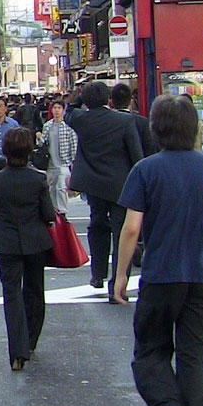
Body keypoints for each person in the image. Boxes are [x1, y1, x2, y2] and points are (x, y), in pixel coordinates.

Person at [113, 94, 203, 406]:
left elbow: (132, 229)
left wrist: (120, 274)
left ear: (156, 128)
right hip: (202, 274)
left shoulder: (146, 170)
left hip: (161, 274)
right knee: (194, 354)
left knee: (150, 349)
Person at [0, 127, 56, 371]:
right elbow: (47, 213)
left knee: (11, 295)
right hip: (35, 240)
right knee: (35, 291)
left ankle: (17, 350)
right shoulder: (38, 179)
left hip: (7, 241)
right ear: (29, 151)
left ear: (5, 151)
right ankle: (31, 340)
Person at [66, 82, 144, 298]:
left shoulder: (82, 120)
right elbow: (136, 154)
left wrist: (80, 96)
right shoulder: (124, 120)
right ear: (108, 99)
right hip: (121, 184)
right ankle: (119, 283)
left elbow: (69, 110)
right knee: (122, 233)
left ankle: (97, 273)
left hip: (93, 184)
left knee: (97, 225)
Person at [41, 101, 78, 214]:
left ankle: (63, 211)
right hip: (50, 163)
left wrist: (74, 161)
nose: (56, 110)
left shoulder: (68, 126)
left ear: (63, 110)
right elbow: (43, 143)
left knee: (61, 188)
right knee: (51, 189)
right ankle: (54, 211)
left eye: (59, 108)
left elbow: (73, 144)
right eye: (54, 108)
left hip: (63, 163)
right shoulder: (47, 125)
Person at [112, 83, 158, 157]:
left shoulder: (106, 122)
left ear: (112, 102)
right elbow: (150, 149)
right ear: (130, 101)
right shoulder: (143, 122)